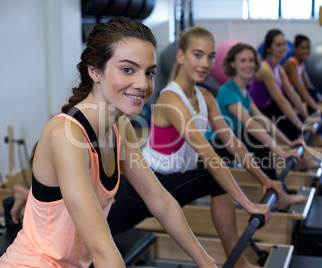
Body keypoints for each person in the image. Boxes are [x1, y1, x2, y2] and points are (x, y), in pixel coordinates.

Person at [0, 17, 217, 268]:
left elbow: (162, 202)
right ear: (95, 71)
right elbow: (102, 250)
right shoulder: (66, 135)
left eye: (149, 73)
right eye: (127, 69)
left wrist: (207, 262)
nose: (142, 84)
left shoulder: (119, 126)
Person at [108, 26, 275, 268]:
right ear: (180, 56)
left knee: (106, 226)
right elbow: (207, 153)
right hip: (143, 186)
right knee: (213, 177)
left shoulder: (205, 96)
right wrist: (247, 203)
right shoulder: (171, 99)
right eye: (197, 55)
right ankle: (238, 263)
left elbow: (233, 143)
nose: (205, 63)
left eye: (210, 57)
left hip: (169, 182)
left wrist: (264, 180)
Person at [205, 43, 319, 194]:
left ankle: (279, 189)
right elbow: (250, 123)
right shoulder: (228, 90)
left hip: (232, 138)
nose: (249, 65)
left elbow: (261, 118)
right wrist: (281, 153)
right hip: (215, 144)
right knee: (258, 141)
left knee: (260, 139)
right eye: (243, 60)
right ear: (232, 63)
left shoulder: (243, 89)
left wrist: (289, 143)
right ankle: (279, 193)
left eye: (251, 60)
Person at [249, 29, 320, 141]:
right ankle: (294, 146)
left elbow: (293, 95)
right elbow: (281, 101)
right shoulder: (266, 68)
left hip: (266, 107)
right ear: (268, 48)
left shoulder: (279, 69)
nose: (283, 48)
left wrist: (307, 119)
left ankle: (300, 143)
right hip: (254, 112)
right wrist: (301, 126)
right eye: (278, 45)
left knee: (290, 106)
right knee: (285, 112)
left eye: (284, 44)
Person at [283, 34, 322, 115]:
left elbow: (309, 86)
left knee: (311, 91)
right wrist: (317, 108)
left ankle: (314, 116)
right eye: (303, 48)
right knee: (306, 93)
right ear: (295, 49)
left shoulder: (300, 64)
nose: (306, 51)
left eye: (308, 48)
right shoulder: (292, 63)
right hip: (284, 96)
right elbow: (300, 88)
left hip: (291, 95)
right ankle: (312, 117)